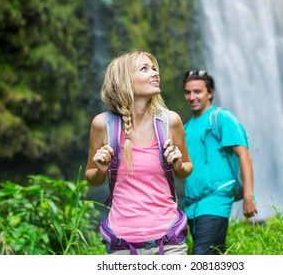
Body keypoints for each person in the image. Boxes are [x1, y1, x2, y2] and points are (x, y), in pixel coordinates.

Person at [85, 51, 193, 255]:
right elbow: (91, 176)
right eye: (145, 69)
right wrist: (100, 169)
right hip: (121, 243)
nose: (155, 74)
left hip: (169, 239)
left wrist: (178, 164)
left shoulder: (170, 121)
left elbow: (186, 168)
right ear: (124, 80)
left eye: (154, 69)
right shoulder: (103, 125)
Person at [182, 70, 257, 255]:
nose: (192, 97)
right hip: (192, 206)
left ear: (210, 93)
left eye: (197, 91)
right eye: (188, 92)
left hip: (216, 200)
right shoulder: (186, 127)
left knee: (201, 256)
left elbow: (244, 155)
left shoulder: (221, 118)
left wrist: (248, 196)